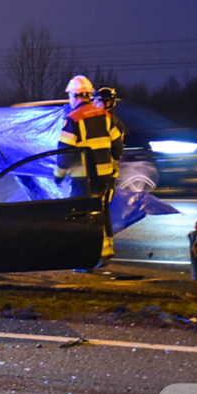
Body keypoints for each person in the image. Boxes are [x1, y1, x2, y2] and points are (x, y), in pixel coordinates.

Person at [55, 75, 123, 261]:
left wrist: (58, 175)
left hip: (82, 178)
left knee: (81, 216)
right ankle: (106, 251)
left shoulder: (73, 119)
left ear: (76, 95)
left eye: (70, 95)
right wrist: (112, 171)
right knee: (102, 211)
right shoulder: (106, 117)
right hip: (104, 177)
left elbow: (65, 152)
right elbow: (117, 146)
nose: (69, 99)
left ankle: (84, 257)